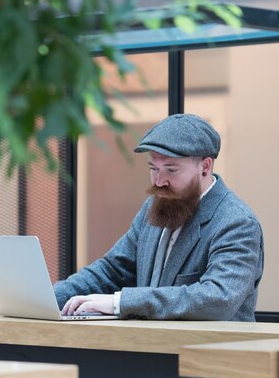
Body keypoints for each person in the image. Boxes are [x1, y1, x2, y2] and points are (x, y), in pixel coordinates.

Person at [54, 113, 264, 321]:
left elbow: (218, 298)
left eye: (171, 170)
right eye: (154, 169)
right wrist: (48, 298)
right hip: (154, 349)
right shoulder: (154, 206)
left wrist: (119, 303)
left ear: (205, 167)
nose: (160, 181)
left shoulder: (237, 223)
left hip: (210, 353)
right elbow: (111, 271)